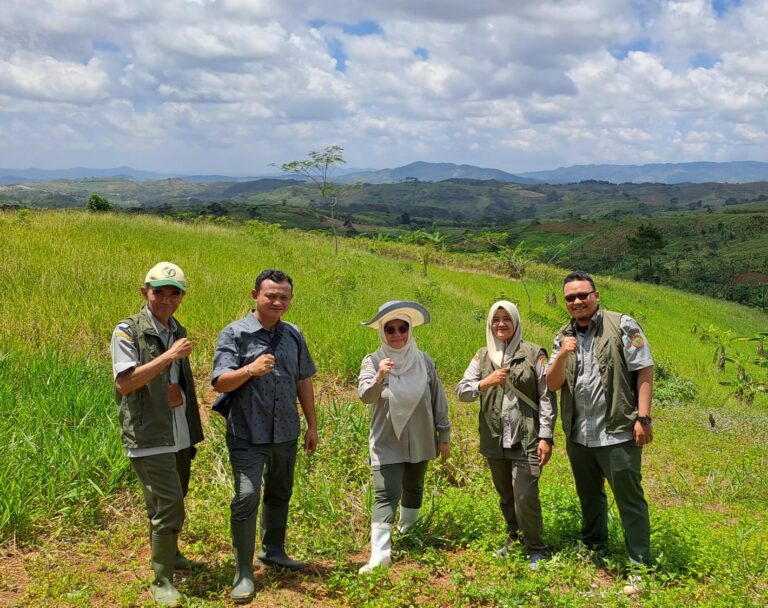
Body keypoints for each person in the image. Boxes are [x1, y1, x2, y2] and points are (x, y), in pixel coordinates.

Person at [212, 269, 318, 605]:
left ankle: (273, 550)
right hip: (247, 432)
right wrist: (249, 370)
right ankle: (243, 571)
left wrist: (312, 425)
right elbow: (219, 383)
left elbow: (303, 380)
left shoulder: (293, 335)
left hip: (286, 430)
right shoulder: (235, 333)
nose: (277, 301)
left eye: (284, 297)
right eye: (271, 295)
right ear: (255, 294)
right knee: (246, 496)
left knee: (280, 491)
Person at [546, 271, 653, 594]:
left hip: (618, 430)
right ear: (565, 303)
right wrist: (564, 353)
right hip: (580, 434)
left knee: (629, 499)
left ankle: (639, 566)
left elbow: (644, 368)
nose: (577, 301)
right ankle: (594, 545)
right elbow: (552, 384)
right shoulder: (562, 335)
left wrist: (643, 418)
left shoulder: (623, 325)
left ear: (596, 295)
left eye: (583, 295)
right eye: (570, 297)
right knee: (589, 495)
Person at [111, 262, 204, 608]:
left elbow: (172, 378)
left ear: (182, 296)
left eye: (174, 293)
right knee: (169, 506)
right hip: (150, 435)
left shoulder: (176, 328)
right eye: (159, 292)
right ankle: (161, 579)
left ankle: (172, 555)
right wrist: (168, 357)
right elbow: (126, 382)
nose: (166, 299)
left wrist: (175, 384)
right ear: (144, 291)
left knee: (171, 501)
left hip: (179, 432)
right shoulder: (128, 331)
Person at [456, 300, 556, 569]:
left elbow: (546, 396)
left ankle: (536, 547)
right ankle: (514, 538)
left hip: (527, 438)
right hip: (494, 437)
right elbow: (461, 391)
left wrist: (546, 436)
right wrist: (483, 383)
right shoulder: (482, 355)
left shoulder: (534, 353)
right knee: (506, 495)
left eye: (506, 319)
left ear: (515, 321)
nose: (501, 324)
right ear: (490, 324)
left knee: (525, 495)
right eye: (496, 319)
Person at [357, 301, 451, 574]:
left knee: (414, 486)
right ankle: (380, 555)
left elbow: (438, 401)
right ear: (382, 333)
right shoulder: (373, 360)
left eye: (402, 328)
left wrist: (443, 436)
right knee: (386, 492)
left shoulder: (424, 361)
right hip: (387, 441)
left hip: (422, 438)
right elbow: (365, 396)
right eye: (390, 329)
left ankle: (408, 533)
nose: (397, 334)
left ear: (410, 331)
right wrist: (379, 377)